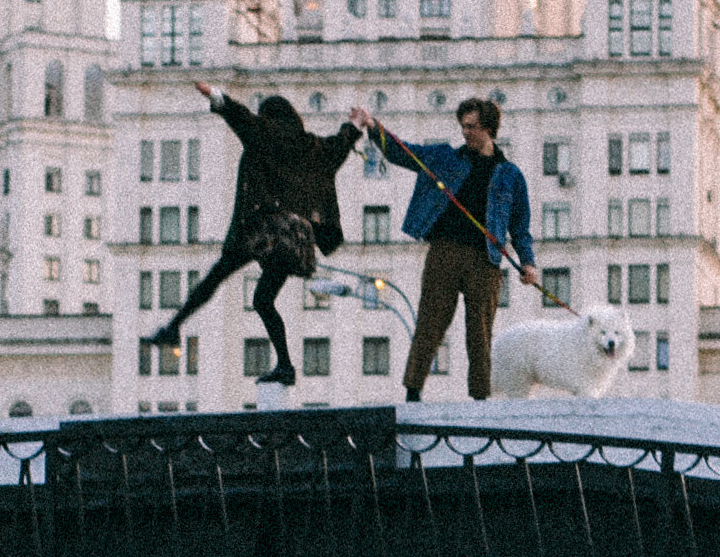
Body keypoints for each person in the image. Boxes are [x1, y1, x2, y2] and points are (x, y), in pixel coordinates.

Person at [153, 84, 359, 387]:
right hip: (297, 240)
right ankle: (286, 366)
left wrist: (217, 97)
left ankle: (173, 325)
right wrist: (355, 126)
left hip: (263, 231)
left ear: (269, 117)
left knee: (216, 276)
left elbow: (241, 117)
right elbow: (338, 147)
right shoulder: (311, 146)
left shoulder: (265, 132)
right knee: (263, 299)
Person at [348, 93, 537, 400]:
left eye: (472, 126)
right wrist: (372, 126)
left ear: (489, 128)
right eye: (463, 126)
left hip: (485, 261)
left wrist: (528, 263)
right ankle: (413, 391)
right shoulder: (445, 157)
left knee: (480, 333)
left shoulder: (511, 176)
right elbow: (404, 153)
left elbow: (520, 227)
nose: (466, 132)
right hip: (444, 252)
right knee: (431, 322)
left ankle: (480, 398)